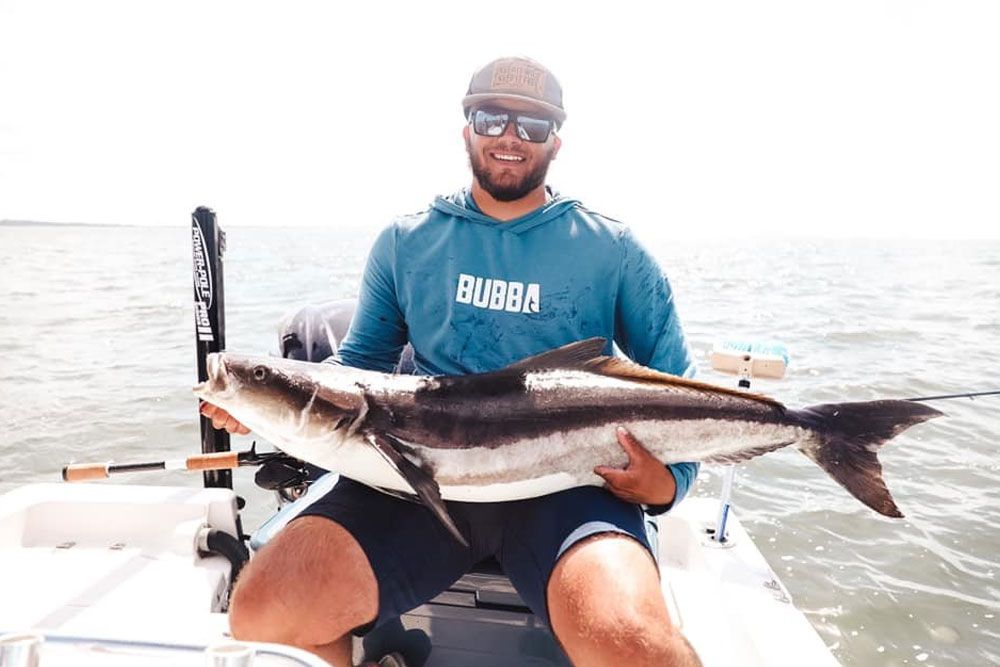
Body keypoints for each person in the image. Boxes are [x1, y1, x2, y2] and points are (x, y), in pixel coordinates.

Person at [201, 56, 703, 667]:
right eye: (492, 118)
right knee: (263, 612)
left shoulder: (614, 250)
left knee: (640, 650)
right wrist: (265, 411)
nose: (510, 137)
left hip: (569, 485)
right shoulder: (406, 241)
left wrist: (670, 483)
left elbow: (681, 390)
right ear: (467, 129)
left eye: (533, 126)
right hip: (414, 478)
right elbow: (358, 369)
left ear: (556, 142)